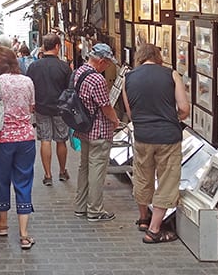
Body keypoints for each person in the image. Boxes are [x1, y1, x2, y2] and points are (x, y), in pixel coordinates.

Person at [122, 43, 189, 244]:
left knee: (142, 176)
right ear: (158, 56)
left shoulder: (128, 78)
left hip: (142, 135)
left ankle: (144, 218)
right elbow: (184, 108)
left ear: (140, 57)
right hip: (168, 135)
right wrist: (173, 118)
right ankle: (154, 230)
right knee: (167, 180)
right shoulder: (171, 75)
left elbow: (131, 113)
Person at [0, 47, 37, 250]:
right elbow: (31, 108)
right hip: (26, 139)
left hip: (2, 140)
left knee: (1, 180)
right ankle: (24, 235)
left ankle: (3, 224)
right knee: (24, 181)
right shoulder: (27, 81)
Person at [72, 43, 120, 221]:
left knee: (84, 167)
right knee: (97, 170)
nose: (107, 67)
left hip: (83, 128)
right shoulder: (97, 79)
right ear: (100, 61)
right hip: (98, 130)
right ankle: (95, 210)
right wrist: (115, 120)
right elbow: (105, 106)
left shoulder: (79, 72)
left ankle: (80, 206)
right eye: (107, 63)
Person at [26, 33, 72, 186]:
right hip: (60, 109)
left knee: (45, 140)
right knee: (61, 140)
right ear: (57, 47)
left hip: (41, 108)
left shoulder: (34, 66)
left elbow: (29, 87)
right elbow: (69, 90)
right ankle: (62, 171)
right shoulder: (64, 67)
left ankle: (47, 175)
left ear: (43, 47)